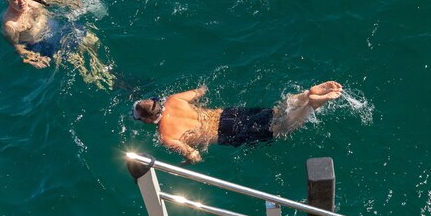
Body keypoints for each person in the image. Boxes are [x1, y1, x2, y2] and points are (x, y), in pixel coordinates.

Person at [131, 81, 343, 163]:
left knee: (281, 128)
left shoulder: (166, 136)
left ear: (149, 120)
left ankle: (312, 105)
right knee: (276, 111)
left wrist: (187, 161)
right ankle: (306, 94)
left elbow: (194, 155)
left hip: (226, 133)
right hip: (227, 114)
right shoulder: (173, 99)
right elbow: (201, 90)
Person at [0, 0, 113, 90]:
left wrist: (67, 1)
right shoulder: (10, 24)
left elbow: (49, 1)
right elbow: (17, 46)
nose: (22, 1)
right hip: (44, 44)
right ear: (7, 1)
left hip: (58, 29)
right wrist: (30, 58)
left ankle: (106, 69)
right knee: (80, 61)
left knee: (92, 40)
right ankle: (106, 81)